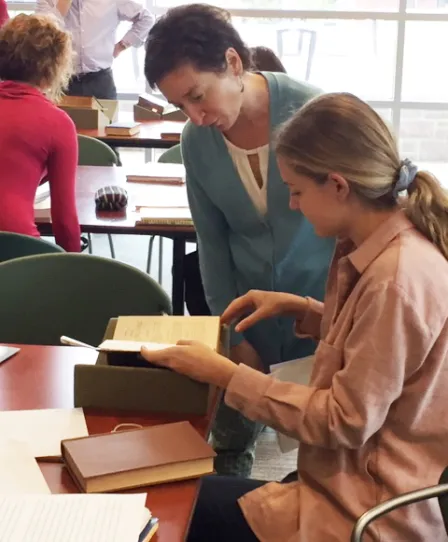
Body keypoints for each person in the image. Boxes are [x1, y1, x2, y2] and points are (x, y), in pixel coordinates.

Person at [140, 91, 448, 541]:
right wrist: (307, 310)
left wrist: (225, 375)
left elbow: (342, 420)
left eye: (297, 190)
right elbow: (390, 353)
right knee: (183, 495)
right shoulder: (390, 243)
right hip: (346, 482)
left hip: (364, 511)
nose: (292, 205)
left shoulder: (394, 279)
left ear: (338, 185)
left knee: (168, 506)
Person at [144, 3, 335, 478]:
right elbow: (211, 244)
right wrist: (234, 332)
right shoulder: (196, 141)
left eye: (197, 96)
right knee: (226, 442)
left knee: (328, 447)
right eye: (180, 106)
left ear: (232, 63)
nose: (195, 116)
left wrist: (335, 315)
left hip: (324, 310)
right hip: (248, 310)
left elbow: (360, 228)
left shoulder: (317, 114)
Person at [0, 14, 81, 252]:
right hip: (14, 248)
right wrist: (76, 266)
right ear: (52, 69)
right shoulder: (58, 123)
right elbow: (64, 220)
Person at [36, 0, 153, 99]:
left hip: (100, 81)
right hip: (62, 81)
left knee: (106, 119)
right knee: (60, 120)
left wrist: (122, 45)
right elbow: (41, 34)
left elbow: (146, 18)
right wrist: (63, 4)